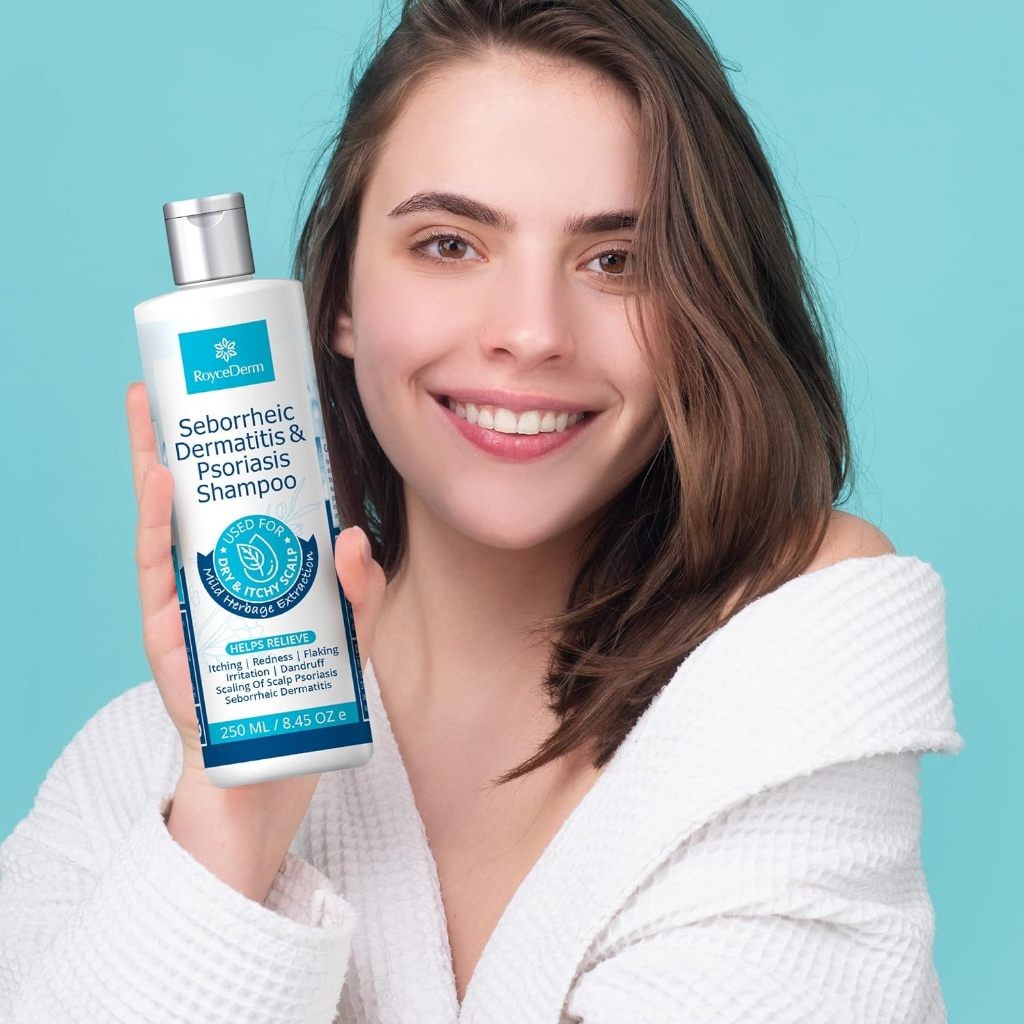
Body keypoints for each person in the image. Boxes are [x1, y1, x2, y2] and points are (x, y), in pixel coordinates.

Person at [0, 1, 964, 1021]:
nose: (530, 332)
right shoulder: (134, 775)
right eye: (451, 244)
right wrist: (232, 827)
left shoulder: (802, 650)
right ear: (339, 299)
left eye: (617, 260)